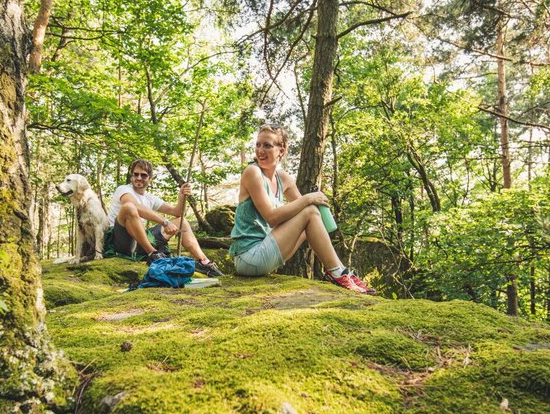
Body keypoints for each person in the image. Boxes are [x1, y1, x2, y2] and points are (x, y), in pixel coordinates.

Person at [229, 124, 376, 294]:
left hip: (266, 252)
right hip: (249, 257)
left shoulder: (282, 177)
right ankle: (337, 274)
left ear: (281, 150)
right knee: (310, 211)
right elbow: (272, 217)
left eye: (267, 145)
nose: (260, 150)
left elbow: (306, 213)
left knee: (311, 215)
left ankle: (340, 273)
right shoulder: (252, 172)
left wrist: (316, 202)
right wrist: (309, 199)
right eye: (258, 144)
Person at [107, 159, 224, 277]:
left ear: (150, 178)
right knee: (129, 207)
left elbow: (177, 212)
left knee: (181, 222)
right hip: (121, 240)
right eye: (135, 174)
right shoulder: (124, 189)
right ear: (131, 176)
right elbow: (135, 207)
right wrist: (164, 222)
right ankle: (152, 254)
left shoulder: (150, 198)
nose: (139, 178)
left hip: (139, 240)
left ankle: (204, 262)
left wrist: (182, 196)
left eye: (143, 175)